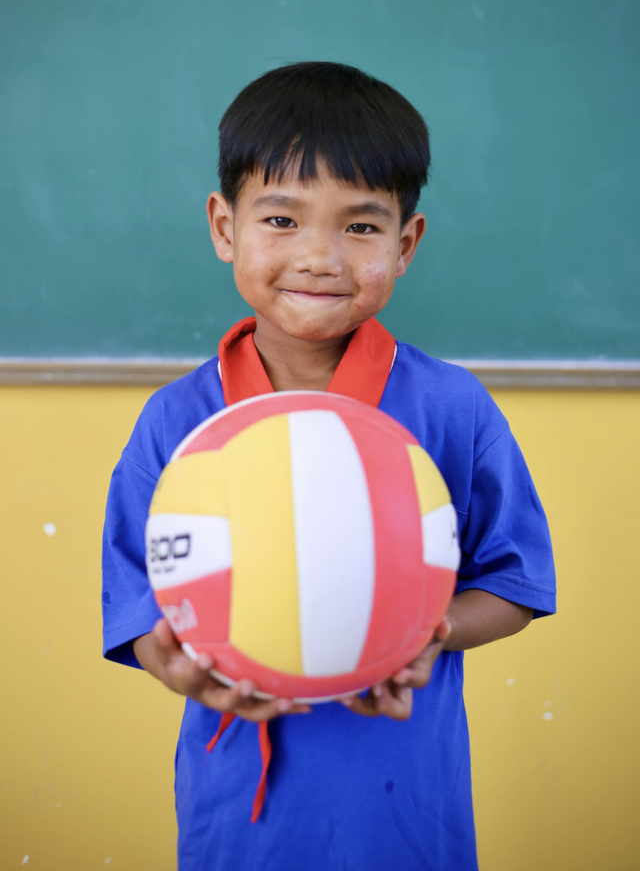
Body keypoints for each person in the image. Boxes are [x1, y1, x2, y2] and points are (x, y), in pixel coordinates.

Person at [102, 62, 555, 871]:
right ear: (223, 226)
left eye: (360, 226)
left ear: (405, 243)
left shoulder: (451, 409)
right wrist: (172, 664)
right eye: (280, 218)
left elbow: (515, 583)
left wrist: (433, 632)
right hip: (237, 817)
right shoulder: (177, 425)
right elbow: (141, 606)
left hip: (405, 804)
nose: (318, 256)